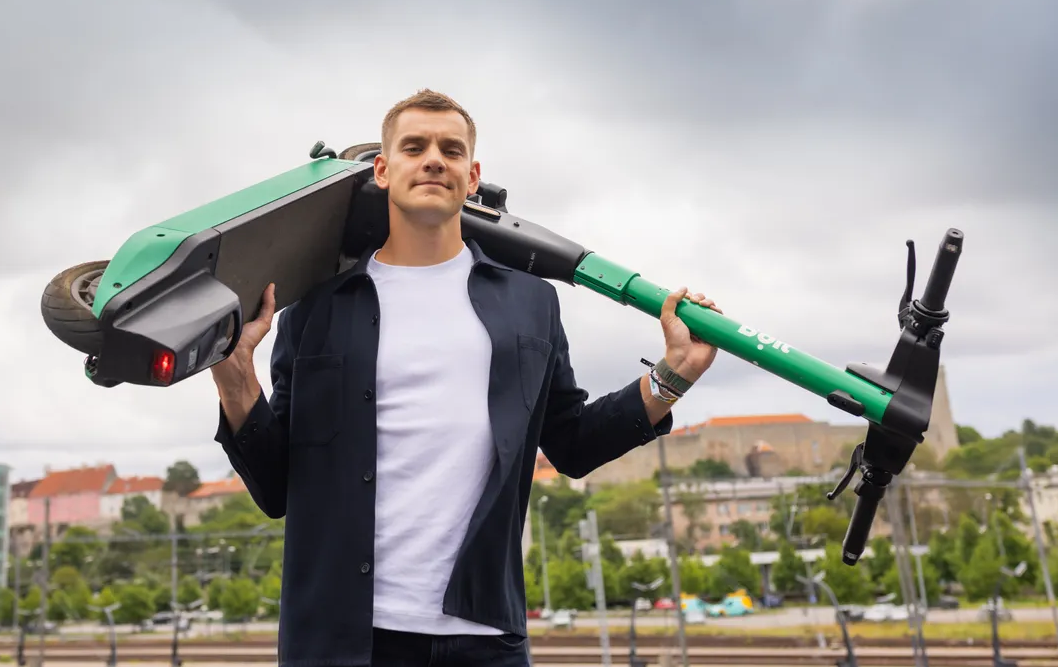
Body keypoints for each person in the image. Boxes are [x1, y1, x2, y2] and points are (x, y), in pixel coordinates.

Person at [211, 90, 722, 667]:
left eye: (451, 150)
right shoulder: (316, 309)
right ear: (381, 169)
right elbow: (278, 489)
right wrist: (236, 380)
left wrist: (672, 376)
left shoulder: (531, 304)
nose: (434, 159)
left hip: (486, 639)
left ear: (472, 175)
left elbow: (572, 443)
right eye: (414, 147)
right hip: (342, 639)